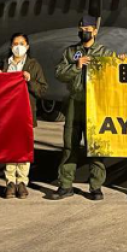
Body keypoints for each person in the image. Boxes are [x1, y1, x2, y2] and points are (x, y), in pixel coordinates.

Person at [50, 15, 117, 201]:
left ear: (95, 31)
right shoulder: (71, 52)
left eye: (88, 29)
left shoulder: (104, 52)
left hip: (95, 104)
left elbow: (114, 74)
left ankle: (96, 186)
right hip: (74, 101)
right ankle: (65, 185)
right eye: (81, 28)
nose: (84, 31)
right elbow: (59, 73)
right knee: (70, 144)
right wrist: (76, 66)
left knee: (95, 145)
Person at [0, 32, 48, 200]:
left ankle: (22, 181)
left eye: (22, 43)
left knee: (24, 148)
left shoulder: (33, 65)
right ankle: (10, 181)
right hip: (8, 113)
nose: (18, 47)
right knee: (10, 148)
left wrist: (30, 80)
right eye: (15, 43)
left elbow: (42, 90)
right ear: (11, 47)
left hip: (26, 113)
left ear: (27, 46)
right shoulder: (4, 63)